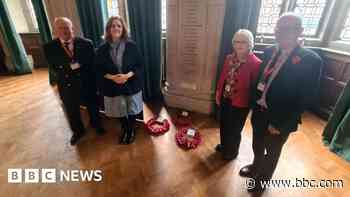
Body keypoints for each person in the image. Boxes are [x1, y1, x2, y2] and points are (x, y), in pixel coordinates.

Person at [239, 13, 323, 193]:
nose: (279, 33)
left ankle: (262, 181)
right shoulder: (270, 50)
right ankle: (255, 167)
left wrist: (282, 124)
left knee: (272, 151)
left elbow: (305, 98)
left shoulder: (310, 60)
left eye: (285, 29)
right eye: (277, 29)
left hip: (279, 118)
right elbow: (261, 79)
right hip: (260, 110)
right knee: (257, 143)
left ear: (299, 32)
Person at [43, 17, 105, 145]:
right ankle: (78, 132)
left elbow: (92, 63)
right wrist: (69, 69)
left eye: (67, 27)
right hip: (67, 84)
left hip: (86, 81)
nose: (65, 31)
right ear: (56, 31)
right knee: (71, 110)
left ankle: (96, 125)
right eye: (61, 28)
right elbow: (54, 68)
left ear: (72, 29)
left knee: (93, 105)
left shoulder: (86, 43)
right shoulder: (49, 47)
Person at [95, 16, 144, 144]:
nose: (116, 28)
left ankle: (131, 129)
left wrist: (127, 76)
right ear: (108, 29)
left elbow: (139, 65)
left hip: (131, 83)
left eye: (119, 26)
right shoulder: (101, 49)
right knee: (119, 108)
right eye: (113, 26)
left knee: (132, 108)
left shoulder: (131, 46)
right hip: (112, 85)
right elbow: (98, 69)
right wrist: (113, 78)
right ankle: (125, 128)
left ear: (123, 29)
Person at [215, 29, 261, 160]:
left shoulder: (256, 63)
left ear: (250, 44)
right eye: (236, 41)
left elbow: (254, 88)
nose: (239, 44)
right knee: (224, 124)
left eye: (243, 42)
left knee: (235, 129)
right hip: (225, 97)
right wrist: (218, 93)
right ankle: (224, 145)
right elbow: (222, 77)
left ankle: (232, 151)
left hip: (241, 102)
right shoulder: (229, 58)